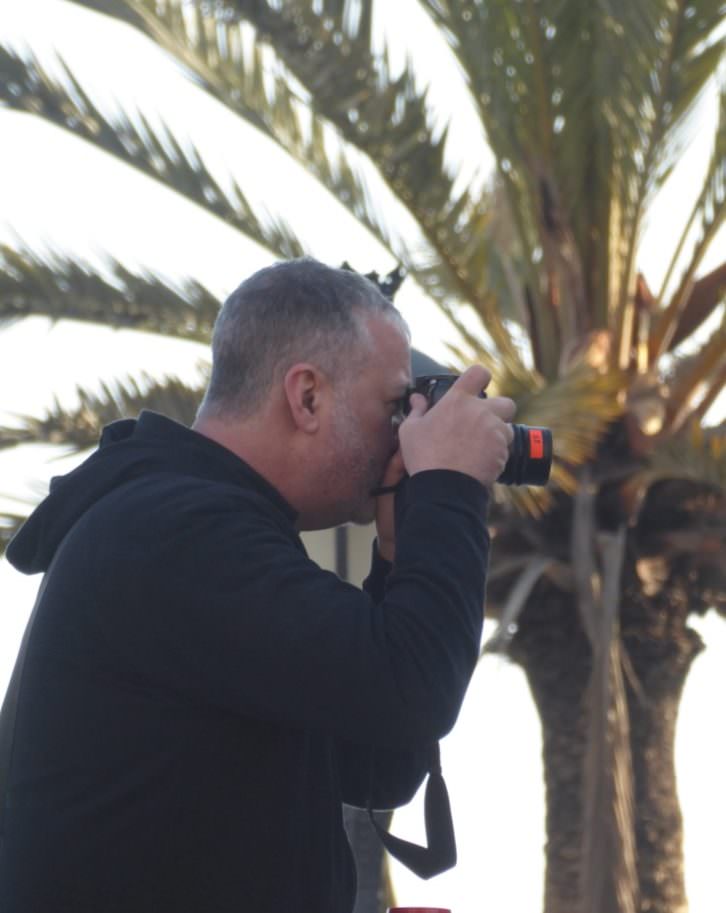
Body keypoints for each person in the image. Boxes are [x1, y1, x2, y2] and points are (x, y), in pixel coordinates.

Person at [0, 257, 516, 912]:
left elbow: (376, 759)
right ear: (306, 397)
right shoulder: (177, 532)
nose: (403, 436)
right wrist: (450, 488)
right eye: (394, 406)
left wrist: (396, 552)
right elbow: (412, 691)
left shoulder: (190, 527)